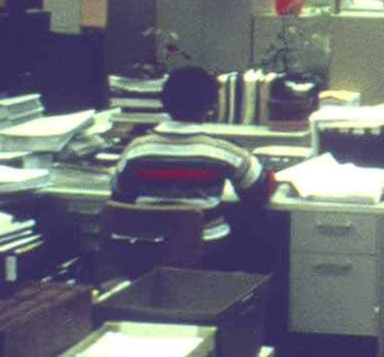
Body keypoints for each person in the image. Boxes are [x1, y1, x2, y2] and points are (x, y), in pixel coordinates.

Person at [111, 65, 275, 268]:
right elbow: (260, 189)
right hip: (207, 253)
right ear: (211, 105)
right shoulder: (222, 150)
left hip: (147, 253)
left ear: (164, 102)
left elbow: (119, 194)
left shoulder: (135, 149)